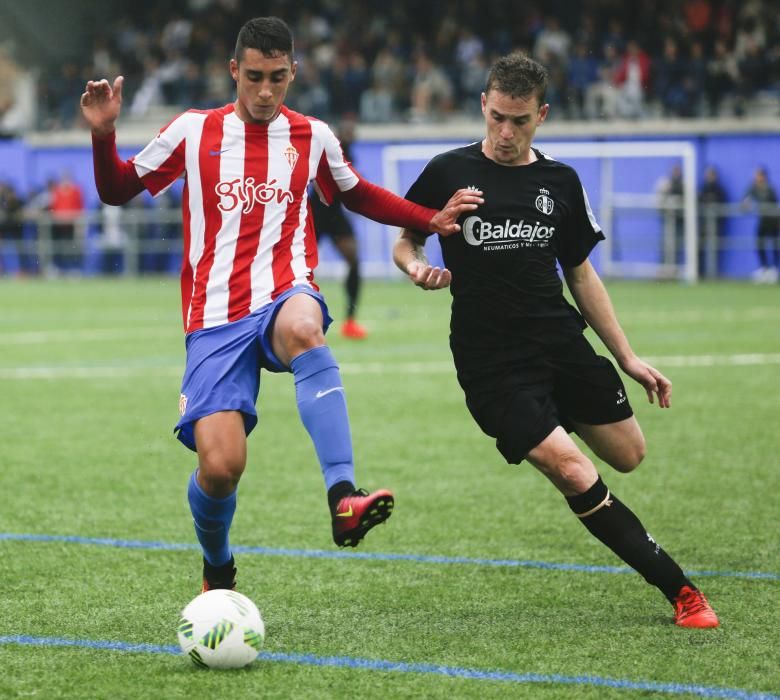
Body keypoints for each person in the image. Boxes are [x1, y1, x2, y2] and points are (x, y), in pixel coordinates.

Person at [80, 16, 480, 592]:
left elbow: (357, 192)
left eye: (277, 78)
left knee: (305, 327)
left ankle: (343, 495)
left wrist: (429, 220)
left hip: (283, 290)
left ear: (293, 72)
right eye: (255, 78)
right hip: (213, 317)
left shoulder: (311, 136)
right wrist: (103, 134)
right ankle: (217, 565)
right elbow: (117, 189)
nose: (266, 92)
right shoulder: (193, 131)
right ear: (233, 72)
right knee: (221, 470)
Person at [393, 53, 719, 629]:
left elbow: (581, 274)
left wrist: (628, 357)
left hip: (559, 342)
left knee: (629, 454)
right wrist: (417, 265)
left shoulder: (560, 182)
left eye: (519, 121)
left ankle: (549, 420)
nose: (505, 133)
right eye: (496, 117)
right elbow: (405, 241)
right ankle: (681, 590)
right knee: (570, 468)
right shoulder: (447, 171)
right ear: (483, 106)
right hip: (490, 362)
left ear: (541, 115)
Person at [309, 118, 368, 339]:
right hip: (315, 213)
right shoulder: (327, 149)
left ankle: (351, 320)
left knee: (354, 260)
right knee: (300, 268)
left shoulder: (350, 153)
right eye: (346, 130)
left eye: (352, 131)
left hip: (334, 214)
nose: (350, 134)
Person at [741, 166, 779, 284]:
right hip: (763, 220)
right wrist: (745, 202)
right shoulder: (754, 187)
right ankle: (764, 268)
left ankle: (774, 269)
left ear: (763, 176)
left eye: (758, 175)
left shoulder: (769, 188)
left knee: (774, 245)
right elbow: (746, 197)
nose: (756, 178)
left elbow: (775, 205)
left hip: (773, 220)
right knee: (759, 243)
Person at [698, 165, 728, 278]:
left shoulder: (719, 189)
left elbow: (723, 205)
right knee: (700, 247)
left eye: (711, 175)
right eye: (707, 174)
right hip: (703, 224)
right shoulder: (703, 188)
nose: (709, 177)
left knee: (714, 249)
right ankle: (699, 273)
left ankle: (713, 274)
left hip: (716, 225)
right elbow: (699, 202)